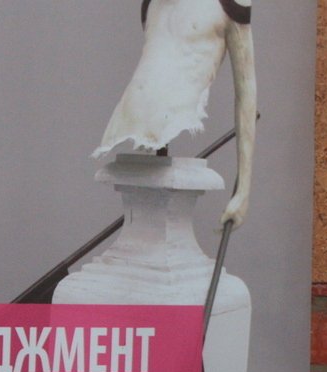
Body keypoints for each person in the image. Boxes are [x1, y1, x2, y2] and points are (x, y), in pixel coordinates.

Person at [94, 0, 256, 227]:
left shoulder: (229, 3)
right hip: (130, 117)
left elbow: (246, 88)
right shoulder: (152, 3)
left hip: (175, 114)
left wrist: (243, 191)